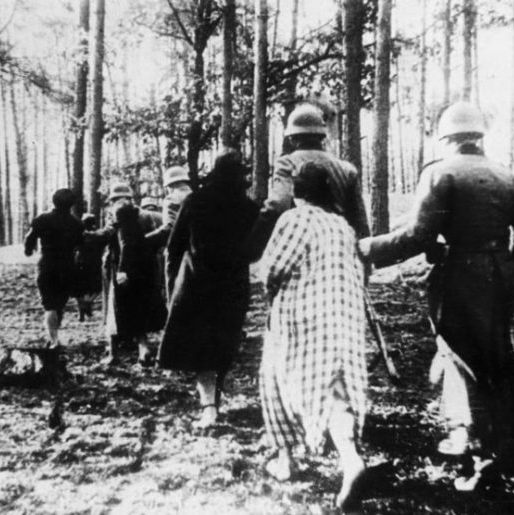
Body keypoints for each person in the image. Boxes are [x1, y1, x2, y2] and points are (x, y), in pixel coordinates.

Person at [358, 102, 514, 491]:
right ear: (478, 137)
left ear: (446, 138)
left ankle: (483, 457)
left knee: (463, 359)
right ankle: (506, 437)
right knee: (496, 355)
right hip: (501, 273)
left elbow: (417, 236)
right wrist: (512, 269)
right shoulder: (506, 176)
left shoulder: (440, 173)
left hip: (461, 277)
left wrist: (366, 248)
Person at [259, 161, 372, 514]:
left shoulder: (295, 219)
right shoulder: (342, 226)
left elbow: (271, 270)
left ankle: (285, 459)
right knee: (336, 390)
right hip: (345, 320)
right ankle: (351, 461)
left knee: (273, 376)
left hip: (301, 316)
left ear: (297, 191)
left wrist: (270, 294)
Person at [158, 150, 259, 428]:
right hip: (232, 287)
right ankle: (214, 400)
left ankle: (209, 406)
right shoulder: (249, 208)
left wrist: (171, 288)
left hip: (196, 284)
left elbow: (174, 247)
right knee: (223, 344)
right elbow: (254, 251)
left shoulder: (195, 201)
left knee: (201, 348)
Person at [246, 103, 370, 261]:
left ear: (292, 138)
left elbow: (277, 206)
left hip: (300, 249)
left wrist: (252, 249)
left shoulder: (287, 163)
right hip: (340, 250)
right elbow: (359, 222)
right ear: (322, 136)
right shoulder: (347, 169)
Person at [101, 183, 165, 366]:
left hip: (123, 269)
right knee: (139, 309)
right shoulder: (145, 215)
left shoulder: (120, 215)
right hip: (145, 270)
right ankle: (143, 350)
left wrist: (122, 269)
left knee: (115, 310)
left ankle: (113, 353)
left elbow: (124, 245)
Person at [24, 188, 84, 348]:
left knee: (49, 304)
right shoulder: (76, 223)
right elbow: (81, 245)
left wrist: (28, 250)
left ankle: (53, 340)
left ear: (53, 201)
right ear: (71, 204)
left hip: (47, 264)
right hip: (67, 266)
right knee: (59, 304)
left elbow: (30, 237)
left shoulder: (42, 218)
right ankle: (54, 337)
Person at [73, 214, 106, 322]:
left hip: (80, 262)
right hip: (94, 263)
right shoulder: (99, 235)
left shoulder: (79, 234)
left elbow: (74, 247)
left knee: (80, 289)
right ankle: (88, 304)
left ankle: (81, 313)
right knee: (94, 288)